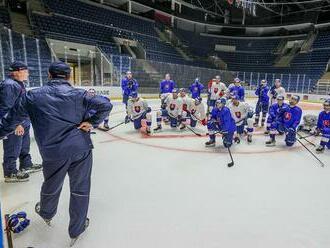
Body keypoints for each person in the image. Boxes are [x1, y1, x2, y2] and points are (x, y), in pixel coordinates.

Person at [0, 61, 113, 245]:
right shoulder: (80, 94)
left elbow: (9, 122)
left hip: (53, 152)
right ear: (69, 77)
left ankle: (46, 212)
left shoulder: (32, 95)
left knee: (51, 183)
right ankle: (76, 229)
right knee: (80, 188)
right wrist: (92, 121)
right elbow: (105, 105)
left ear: (49, 75)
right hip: (80, 149)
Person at [0, 61, 42, 183]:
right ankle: (10, 172)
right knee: (13, 147)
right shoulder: (9, 85)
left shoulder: (17, 83)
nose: (28, 74)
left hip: (23, 121)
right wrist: (16, 124)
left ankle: (26, 164)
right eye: (25, 71)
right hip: (15, 123)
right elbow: (5, 107)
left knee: (24, 145)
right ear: (17, 71)